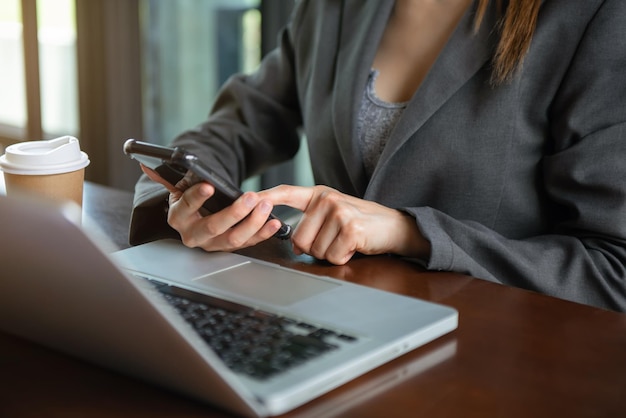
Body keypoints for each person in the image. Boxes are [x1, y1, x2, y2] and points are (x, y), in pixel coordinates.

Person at [130, 0, 626, 312]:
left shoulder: (591, 14)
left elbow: (612, 272)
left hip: (498, 356)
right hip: (338, 328)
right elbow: (234, 128)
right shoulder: (333, 9)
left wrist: (408, 231)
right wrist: (187, 198)